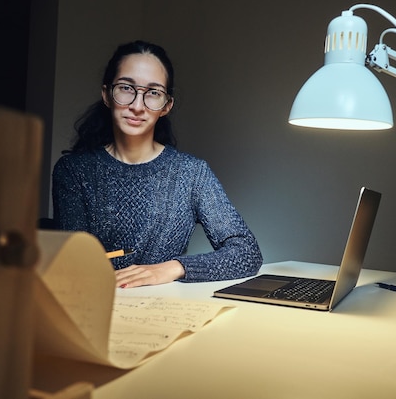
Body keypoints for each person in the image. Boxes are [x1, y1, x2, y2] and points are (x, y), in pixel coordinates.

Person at [52, 40, 263, 288]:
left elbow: (247, 252)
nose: (137, 106)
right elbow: (75, 266)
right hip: (95, 306)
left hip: (163, 311)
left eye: (153, 93)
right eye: (126, 88)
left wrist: (174, 268)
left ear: (166, 106)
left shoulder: (191, 173)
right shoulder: (74, 171)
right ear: (107, 95)